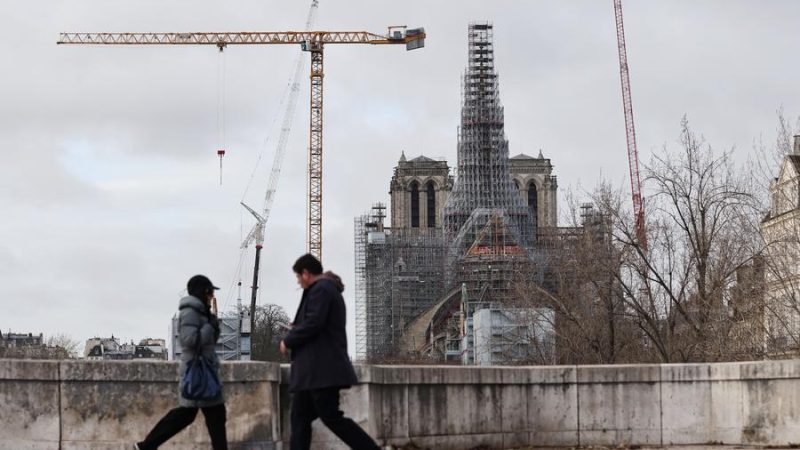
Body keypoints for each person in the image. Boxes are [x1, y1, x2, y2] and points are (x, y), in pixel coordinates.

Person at [280, 254, 380, 450]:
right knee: (300, 419)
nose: (299, 282)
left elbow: (314, 324)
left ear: (306, 273)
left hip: (320, 370)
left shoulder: (322, 290)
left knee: (331, 418)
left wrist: (288, 340)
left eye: (298, 277)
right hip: (315, 371)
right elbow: (316, 323)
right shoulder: (326, 290)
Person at [135, 275, 228, 450]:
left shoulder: (201, 312)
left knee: (200, 415)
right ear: (204, 292)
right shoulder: (190, 312)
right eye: (210, 292)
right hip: (198, 373)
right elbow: (189, 341)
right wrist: (209, 327)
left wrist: (213, 326)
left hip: (204, 371)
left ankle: (145, 446)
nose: (212, 296)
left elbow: (209, 342)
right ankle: (145, 446)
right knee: (202, 415)